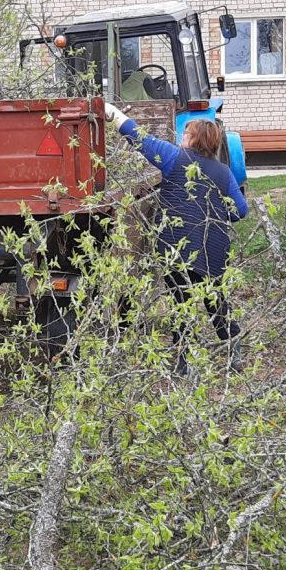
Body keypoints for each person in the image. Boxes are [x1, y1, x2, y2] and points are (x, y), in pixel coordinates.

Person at [104, 102, 248, 372]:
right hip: (213, 248)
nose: (182, 137)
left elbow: (139, 138)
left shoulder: (174, 158)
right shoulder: (223, 173)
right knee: (215, 299)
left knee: (180, 302)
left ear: (194, 140)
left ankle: (183, 364)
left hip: (177, 248)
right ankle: (233, 350)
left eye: (186, 134)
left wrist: (113, 113)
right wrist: (215, 211)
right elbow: (240, 211)